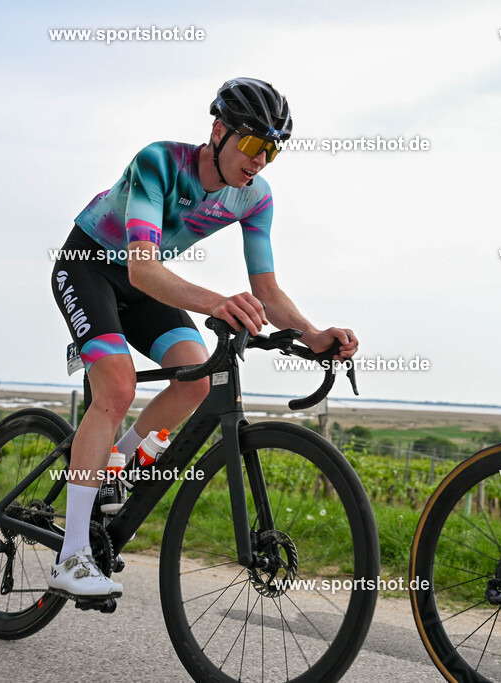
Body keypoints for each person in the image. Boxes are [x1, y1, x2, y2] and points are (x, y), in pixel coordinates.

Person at [48, 77, 358, 598]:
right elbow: (144, 270)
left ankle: (114, 466)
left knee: (195, 378)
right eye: (254, 142)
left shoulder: (254, 197)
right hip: (89, 268)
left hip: (145, 283)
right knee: (118, 389)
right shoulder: (159, 163)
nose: (260, 159)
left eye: (273, 150)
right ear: (218, 131)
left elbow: (267, 289)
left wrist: (313, 332)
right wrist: (216, 302)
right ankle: (72, 555)